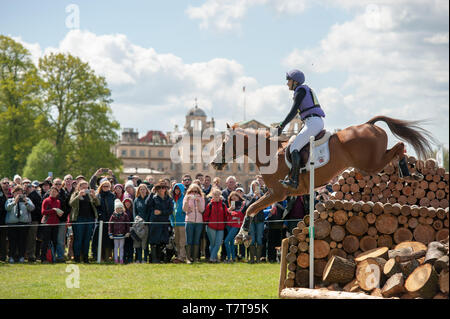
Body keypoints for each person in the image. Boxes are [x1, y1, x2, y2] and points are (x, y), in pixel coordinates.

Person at [275, 69, 326, 189]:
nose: (287, 83)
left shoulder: (300, 91)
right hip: (312, 122)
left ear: (295, 82)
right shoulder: (303, 90)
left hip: (312, 122)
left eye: (289, 80)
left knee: (294, 148)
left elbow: (293, 112)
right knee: (297, 145)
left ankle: (294, 180)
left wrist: (282, 126)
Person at [69, 180, 99, 263]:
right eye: (83, 187)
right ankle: (77, 258)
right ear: (79, 187)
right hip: (78, 219)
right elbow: (71, 203)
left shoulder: (90, 195)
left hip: (90, 219)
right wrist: (79, 196)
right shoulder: (75, 194)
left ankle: (85, 257)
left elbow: (98, 204)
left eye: (87, 187)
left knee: (87, 239)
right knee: (78, 239)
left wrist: (94, 197)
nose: (85, 189)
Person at [5, 185, 34, 263]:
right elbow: (7, 208)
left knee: (22, 241)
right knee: (12, 241)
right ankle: (11, 257)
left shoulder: (27, 199)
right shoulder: (9, 200)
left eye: (20, 192)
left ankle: (21, 256)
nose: (18, 193)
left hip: (23, 224)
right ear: (13, 193)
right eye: (16, 192)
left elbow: (32, 208)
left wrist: (26, 202)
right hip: (12, 224)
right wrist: (15, 202)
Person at [147, 180, 173, 263]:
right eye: (160, 188)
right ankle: (154, 259)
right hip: (155, 222)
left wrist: (161, 212)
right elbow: (147, 204)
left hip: (164, 222)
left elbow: (170, 211)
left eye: (164, 187)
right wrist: (151, 193)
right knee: (154, 241)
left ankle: (161, 258)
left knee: (163, 241)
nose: (162, 189)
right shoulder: (154, 198)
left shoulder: (169, 199)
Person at [92, 180, 116, 262]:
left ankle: (107, 256)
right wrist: (100, 215)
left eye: (107, 186)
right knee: (98, 239)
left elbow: (114, 207)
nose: (106, 188)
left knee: (108, 239)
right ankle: (98, 256)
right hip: (100, 220)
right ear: (101, 186)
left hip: (110, 220)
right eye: (104, 186)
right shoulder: (98, 195)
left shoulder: (112, 196)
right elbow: (95, 207)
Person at [203, 188, 228, 263]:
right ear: (212, 195)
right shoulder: (209, 205)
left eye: (218, 195)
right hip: (211, 227)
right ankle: (214, 258)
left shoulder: (223, 205)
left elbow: (226, 214)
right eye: (215, 195)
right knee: (213, 243)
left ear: (220, 195)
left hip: (221, 227)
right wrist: (208, 222)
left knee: (218, 243)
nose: (216, 196)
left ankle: (212, 258)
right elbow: (205, 215)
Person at [183, 183, 205, 263]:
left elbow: (202, 210)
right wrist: (187, 200)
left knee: (196, 240)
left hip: (199, 221)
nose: (194, 193)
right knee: (189, 240)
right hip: (189, 221)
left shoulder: (201, 198)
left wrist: (198, 202)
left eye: (196, 191)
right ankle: (188, 258)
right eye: (192, 191)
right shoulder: (186, 197)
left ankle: (195, 258)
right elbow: (184, 209)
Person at [40, 186, 62, 263]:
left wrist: (59, 213)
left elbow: (58, 213)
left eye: (55, 192)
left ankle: (52, 257)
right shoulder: (46, 200)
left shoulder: (58, 201)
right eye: (52, 191)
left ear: (57, 193)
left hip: (55, 224)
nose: (53, 193)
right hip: (47, 223)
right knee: (45, 241)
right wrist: (53, 210)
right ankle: (43, 258)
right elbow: (43, 212)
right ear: (49, 192)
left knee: (54, 241)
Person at [245, 180, 265, 263]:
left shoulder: (262, 196)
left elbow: (264, 206)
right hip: (251, 220)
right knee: (252, 238)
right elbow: (247, 206)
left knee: (259, 238)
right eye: (253, 186)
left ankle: (258, 258)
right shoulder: (248, 196)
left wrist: (260, 198)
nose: (255, 188)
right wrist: (254, 198)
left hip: (260, 219)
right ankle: (252, 258)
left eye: (256, 186)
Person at [224, 191, 245, 263]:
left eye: (235, 198)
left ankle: (229, 258)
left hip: (236, 225)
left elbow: (240, 214)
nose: (234, 200)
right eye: (232, 199)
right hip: (229, 225)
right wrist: (229, 210)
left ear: (238, 198)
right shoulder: (230, 207)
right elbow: (225, 215)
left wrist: (231, 212)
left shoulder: (242, 204)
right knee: (232, 242)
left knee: (226, 241)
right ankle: (233, 258)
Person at [108, 199, 131, 264]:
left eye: (120, 208)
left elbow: (127, 224)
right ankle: (115, 259)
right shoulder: (113, 216)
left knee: (121, 247)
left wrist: (127, 232)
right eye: (118, 208)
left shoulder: (125, 215)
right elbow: (110, 225)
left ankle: (121, 259)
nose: (119, 209)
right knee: (115, 247)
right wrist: (110, 233)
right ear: (115, 209)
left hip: (122, 234)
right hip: (115, 234)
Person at [24, 183, 42, 262]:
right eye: (26, 186)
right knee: (24, 238)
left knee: (31, 239)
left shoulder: (35, 195)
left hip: (33, 220)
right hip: (24, 220)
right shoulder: (23, 195)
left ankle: (31, 255)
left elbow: (38, 209)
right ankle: (24, 255)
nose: (28, 188)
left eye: (29, 187)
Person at [169, 183, 186, 263]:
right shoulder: (173, 199)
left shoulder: (184, 198)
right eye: (175, 189)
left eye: (178, 189)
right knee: (177, 241)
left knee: (182, 241)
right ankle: (179, 255)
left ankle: (182, 257)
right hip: (175, 223)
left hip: (182, 223)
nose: (177, 190)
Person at [133, 184, 150, 262]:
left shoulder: (149, 199)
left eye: (144, 189)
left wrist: (145, 221)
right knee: (138, 242)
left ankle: (145, 259)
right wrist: (137, 221)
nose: (142, 191)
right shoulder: (136, 200)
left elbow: (150, 212)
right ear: (139, 190)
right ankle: (139, 259)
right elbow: (134, 212)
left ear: (146, 190)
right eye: (141, 189)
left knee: (145, 242)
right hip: (138, 224)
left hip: (146, 223)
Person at [0, 178, 12, 262]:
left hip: (8, 221)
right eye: (4, 183)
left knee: (4, 240)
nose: (6, 184)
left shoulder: (12, 194)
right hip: (1, 220)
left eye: (8, 183)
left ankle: (3, 256)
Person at [122, 198, 134, 264]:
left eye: (129, 202)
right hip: (124, 230)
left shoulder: (133, 211)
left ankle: (130, 257)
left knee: (131, 245)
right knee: (124, 245)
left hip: (131, 229)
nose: (127, 204)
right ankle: (124, 257)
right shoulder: (122, 211)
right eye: (126, 202)